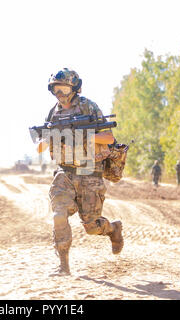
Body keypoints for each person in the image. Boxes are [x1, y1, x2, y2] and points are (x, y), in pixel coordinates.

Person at [36, 68, 123, 275]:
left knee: (92, 226)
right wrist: (50, 137)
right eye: (56, 90)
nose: (60, 95)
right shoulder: (53, 113)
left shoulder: (88, 106)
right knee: (58, 215)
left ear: (74, 88)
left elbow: (109, 138)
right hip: (64, 173)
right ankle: (63, 266)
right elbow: (39, 146)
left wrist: (81, 136)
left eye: (64, 89)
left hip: (89, 173)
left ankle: (113, 229)